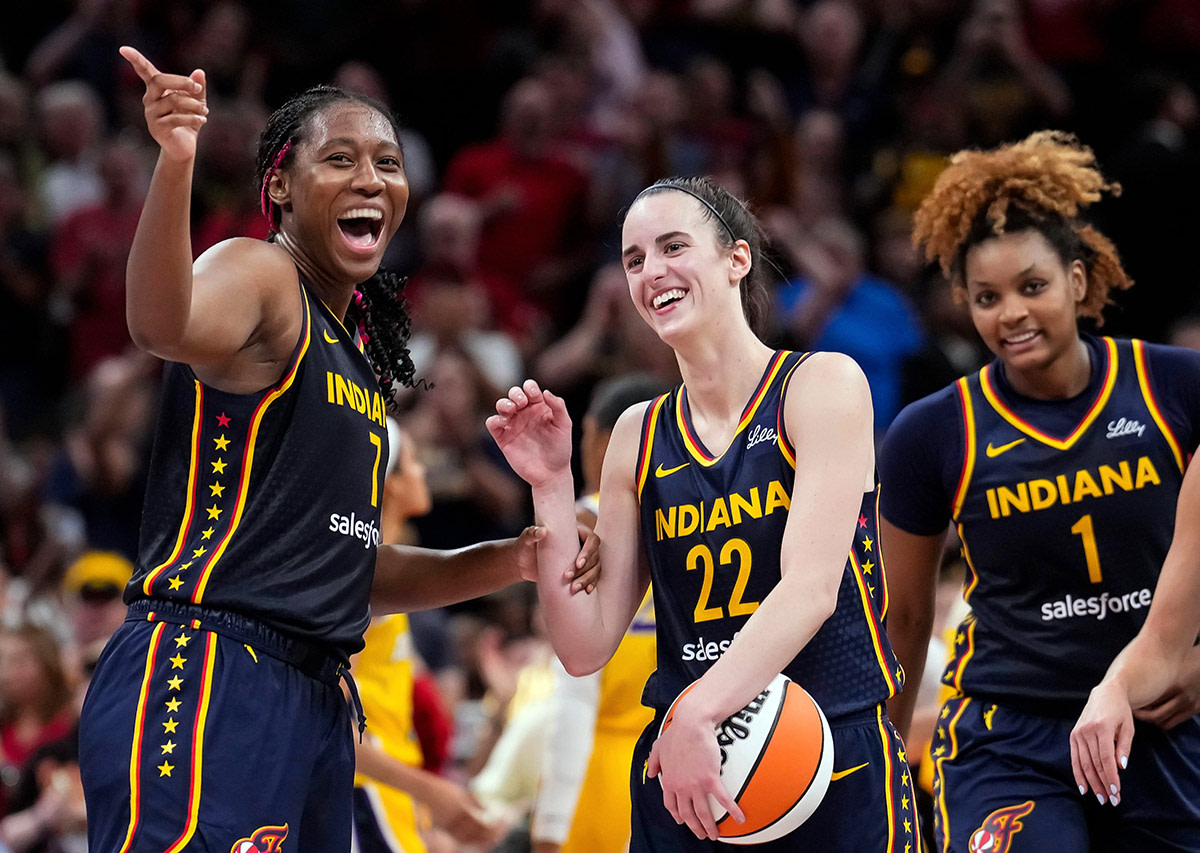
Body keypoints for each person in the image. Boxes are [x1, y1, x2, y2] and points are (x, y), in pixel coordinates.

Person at [77, 48, 598, 853]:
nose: (371, 178)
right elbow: (160, 324)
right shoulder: (261, 275)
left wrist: (511, 558)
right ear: (280, 185)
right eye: (341, 158)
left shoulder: (355, 360)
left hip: (312, 692)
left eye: (387, 163)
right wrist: (176, 161)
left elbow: (351, 568)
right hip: (211, 669)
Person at [489, 175, 914, 850]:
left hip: (824, 739)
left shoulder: (821, 385)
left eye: (673, 246)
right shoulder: (636, 432)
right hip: (689, 768)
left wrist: (698, 708)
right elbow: (583, 645)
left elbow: (810, 591)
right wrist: (549, 485)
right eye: (633, 260)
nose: (651, 270)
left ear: (736, 258)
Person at [879, 130, 1200, 852]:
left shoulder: (1174, 386)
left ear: (1079, 281)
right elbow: (901, 616)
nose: (1012, 314)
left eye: (1033, 286)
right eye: (987, 297)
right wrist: (888, 768)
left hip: (1162, 716)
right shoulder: (932, 433)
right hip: (1008, 734)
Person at [530, 374, 665, 853]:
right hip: (677, 771)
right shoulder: (688, 521)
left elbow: (573, 696)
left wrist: (550, 823)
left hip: (598, 777)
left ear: (604, 441)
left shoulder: (584, 522)